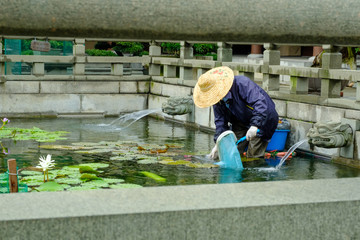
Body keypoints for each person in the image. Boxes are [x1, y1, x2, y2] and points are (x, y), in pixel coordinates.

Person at [193, 66, 279, 159]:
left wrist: (255, 125)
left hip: (263, 118)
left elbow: (260, 104)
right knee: (231, 152)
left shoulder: (242, 83)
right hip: (241, 121)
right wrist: (218, 144)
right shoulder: (217, 100)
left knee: (253, 155)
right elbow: (220, 122)